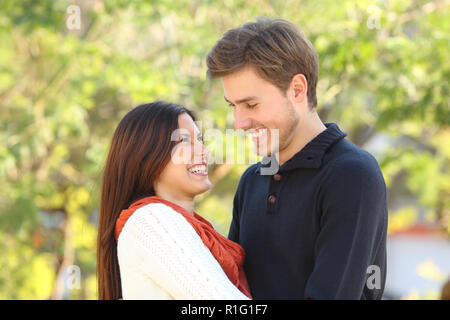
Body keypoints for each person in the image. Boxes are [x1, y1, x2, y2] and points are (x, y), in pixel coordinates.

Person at [206, 17, 388, 299]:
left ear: (297, 89)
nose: (239, 122)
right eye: (233, 106)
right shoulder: (252, 181)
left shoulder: (352, 175)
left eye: (251, 104)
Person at [96, 101, 252, 300]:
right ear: (147, 158)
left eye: (200, 139)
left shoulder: (183, 226)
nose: (204, 151)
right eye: (184, 142)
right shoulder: (151, 220)